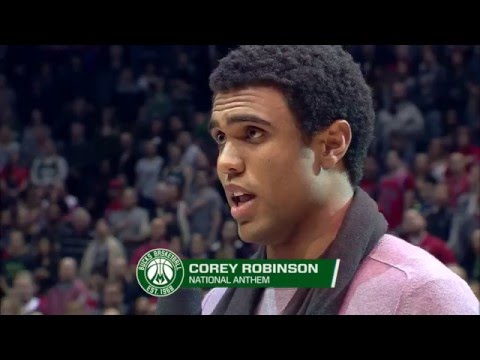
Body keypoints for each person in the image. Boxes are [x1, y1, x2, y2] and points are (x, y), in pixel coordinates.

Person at [201, 45, 479, 315]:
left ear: (331, 145)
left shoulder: (422, 296)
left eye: (252, 133)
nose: (225, 162)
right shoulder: (217, 299)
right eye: (221, 138)